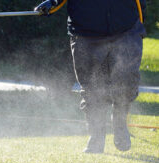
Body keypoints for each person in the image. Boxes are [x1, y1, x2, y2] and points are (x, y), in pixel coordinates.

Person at [35, 0, 146, 153]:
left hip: (126, 27)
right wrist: (53, 1)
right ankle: (96, 137)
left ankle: (120, 123)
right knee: (92, 89)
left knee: (126, 83)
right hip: (86, 33)